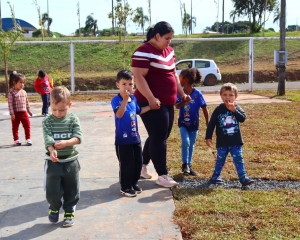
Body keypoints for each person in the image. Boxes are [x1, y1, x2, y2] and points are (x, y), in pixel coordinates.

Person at [131, 21, 191, 188]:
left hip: (167, 102)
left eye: (171, 38)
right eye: (167, 38)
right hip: (151, 101)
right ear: (156, 36)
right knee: (159, 137)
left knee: (160, 136)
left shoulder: (169, 51)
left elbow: (173, 75)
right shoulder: (142, 52)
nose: (169, 42)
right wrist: (150, 98)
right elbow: (139, 78)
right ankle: (162, 175)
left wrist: (182, 94)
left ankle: (142, 166)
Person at [42, 86, 82, 227]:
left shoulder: (73, 119)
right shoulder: (47, 121)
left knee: (72, 188)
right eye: (54, 110)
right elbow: (47, 137)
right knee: (53, 189)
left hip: (71, 161)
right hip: (54, 162)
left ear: (69, 105)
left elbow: (77, 137)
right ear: (50, 105)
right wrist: (51, 149)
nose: (58, 113)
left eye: (62, 110)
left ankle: (69, 210)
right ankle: (54, 206)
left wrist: (66, 143)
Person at [205, 83, 254, 187]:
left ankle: (243, 178)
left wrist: (234, 110)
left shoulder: (237, 107)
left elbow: (243, 118)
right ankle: (215, 176)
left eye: (231, 95)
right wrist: (208, 137)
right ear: (221, 96)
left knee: (239, 159)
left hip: (235, 141)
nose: (228, 97)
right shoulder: (218, 110)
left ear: (236, 96)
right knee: (220, 160)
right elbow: (211, 124)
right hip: (222, 142)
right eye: (225, 94)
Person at [111, 70, 150, 197]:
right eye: (124, 84)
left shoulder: (134, 99)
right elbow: (119, 114)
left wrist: (151, 106)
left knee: (138, 162)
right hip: (123, 140)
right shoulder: (116, 100)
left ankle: (133, 183)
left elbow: (139, 110)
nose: (127, 87)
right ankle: (125, 187)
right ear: (118, 85)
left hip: (135, 138)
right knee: (127, 164)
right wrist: (124, 100)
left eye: (130, 84)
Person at [175, 68, 209, 176]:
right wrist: (184, 101)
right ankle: (184, 164)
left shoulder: (197, 94)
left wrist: (208, 122)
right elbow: (176, 106)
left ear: (185, 79)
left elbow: (204, 108)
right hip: (183, 123)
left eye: (180, 76)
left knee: (191, 145)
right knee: (186, 142)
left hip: (194, 125)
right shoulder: (180, 93)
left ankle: (189, 166)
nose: (178, 79)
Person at [8, 71, 33, 146]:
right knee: (15, 127)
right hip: (15, 113)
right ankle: (16, 140)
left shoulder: (24, 92)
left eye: (23, 83)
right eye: (20, 82)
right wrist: (12, 113)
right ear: (14, 82)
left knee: (27, 125)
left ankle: (28, 139)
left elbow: (27, 102)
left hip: (24, 112)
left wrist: (29, 110)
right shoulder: (11, 92)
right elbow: (10, 104)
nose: (22, 84)